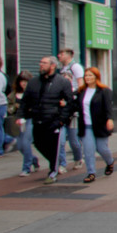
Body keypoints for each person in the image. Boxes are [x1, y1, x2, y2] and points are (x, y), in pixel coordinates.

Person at [22, 56, 74, 184]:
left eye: (44, 63)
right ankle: (53, 162)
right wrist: (21, 116)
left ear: (52, 66)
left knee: (54, 147)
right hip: (37, 119)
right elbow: (25, 100)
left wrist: (61, 120)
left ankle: (52, 172)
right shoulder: (33, 82)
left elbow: (70, 103)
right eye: (40, 62)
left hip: (54, 121)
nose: (41, 65)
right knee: (39, 143)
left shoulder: (62, 82)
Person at [76, 67, 115, 183]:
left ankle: (110, 162)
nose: (87, 78)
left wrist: (110, 119)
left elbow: (108, 107)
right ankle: (91, 173)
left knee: (102, 148)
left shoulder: (104, 91)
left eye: (90, 75)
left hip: (100, 124)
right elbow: (74, 104)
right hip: (86, 125)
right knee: (88, 150)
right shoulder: (81, 91)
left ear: (96, 77)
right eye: (86, 76)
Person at [57, 48, 84, 173]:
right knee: (60, 141)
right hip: (62, 110)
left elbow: (81, 84)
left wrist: (74, 98)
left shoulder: (75, 67)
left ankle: (78, 158)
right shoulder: (61, 69)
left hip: (73, 110)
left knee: (73, 140)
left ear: (68, 55)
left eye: (61, 54)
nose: (59, 56)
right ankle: (62, 164)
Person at [8, 71, 39, 176]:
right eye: (22, 81)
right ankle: (33, 160)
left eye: (26, 81)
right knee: (20, 145)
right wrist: (13, 108)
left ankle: (26, 168)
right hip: (18, 121)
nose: (24, 83)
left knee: (26, 143)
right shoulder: (13, 95)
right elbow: (9, 107)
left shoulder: (33, 93)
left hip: (30, 120)